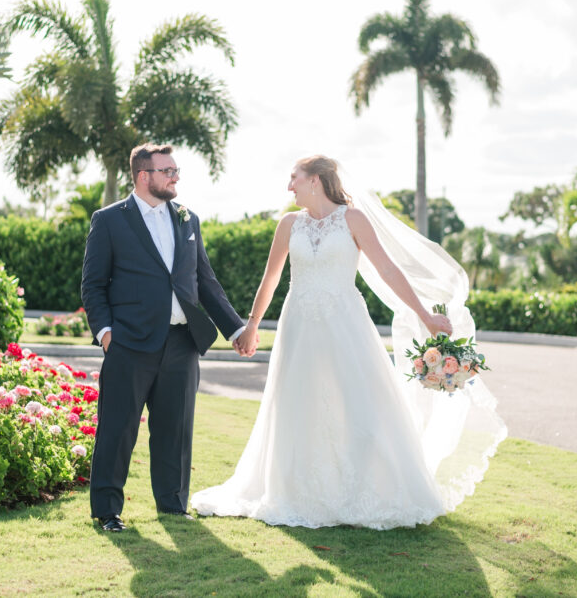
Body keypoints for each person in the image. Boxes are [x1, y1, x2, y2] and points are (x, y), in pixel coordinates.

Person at [190, 155, 506, 529]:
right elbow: (270, 279)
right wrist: (252, 326)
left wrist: (425, 315)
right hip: (299, 326)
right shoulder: (288, 225)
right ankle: (298, 491)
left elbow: (388, 269)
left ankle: (366, 489)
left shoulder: (353, 219)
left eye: (294, 177)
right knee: (299, 402)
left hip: (345, 323)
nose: (288, 185)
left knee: (359, 401)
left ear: (316, 181)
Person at [81, 143, 246, 532]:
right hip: (129, 344)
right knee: (118, 429)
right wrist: (106, 334)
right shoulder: (108, 221)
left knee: (175, 429)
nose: (175, 177)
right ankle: (107, 511)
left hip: (182, 343)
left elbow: (205, 282)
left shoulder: (188, 220)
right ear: (144, 176)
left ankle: (173, 505)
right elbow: (92, 285)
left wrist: (236, 329)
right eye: (167, 170)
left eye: (175, 170)